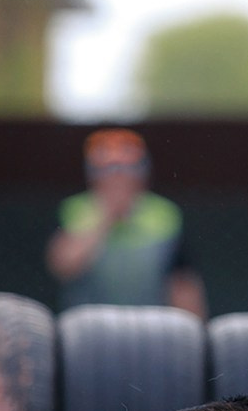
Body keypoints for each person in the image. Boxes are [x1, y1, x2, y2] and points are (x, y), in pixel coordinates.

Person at [46, 128, 206, 316]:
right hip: (88, 328)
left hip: (151, 327)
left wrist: (194, 331)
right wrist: (106, 219)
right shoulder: (75, 209)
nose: (117, 177)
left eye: (127, 169)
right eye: (107, 170)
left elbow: (183, 284)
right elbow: (62, 265)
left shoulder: (164, 214)